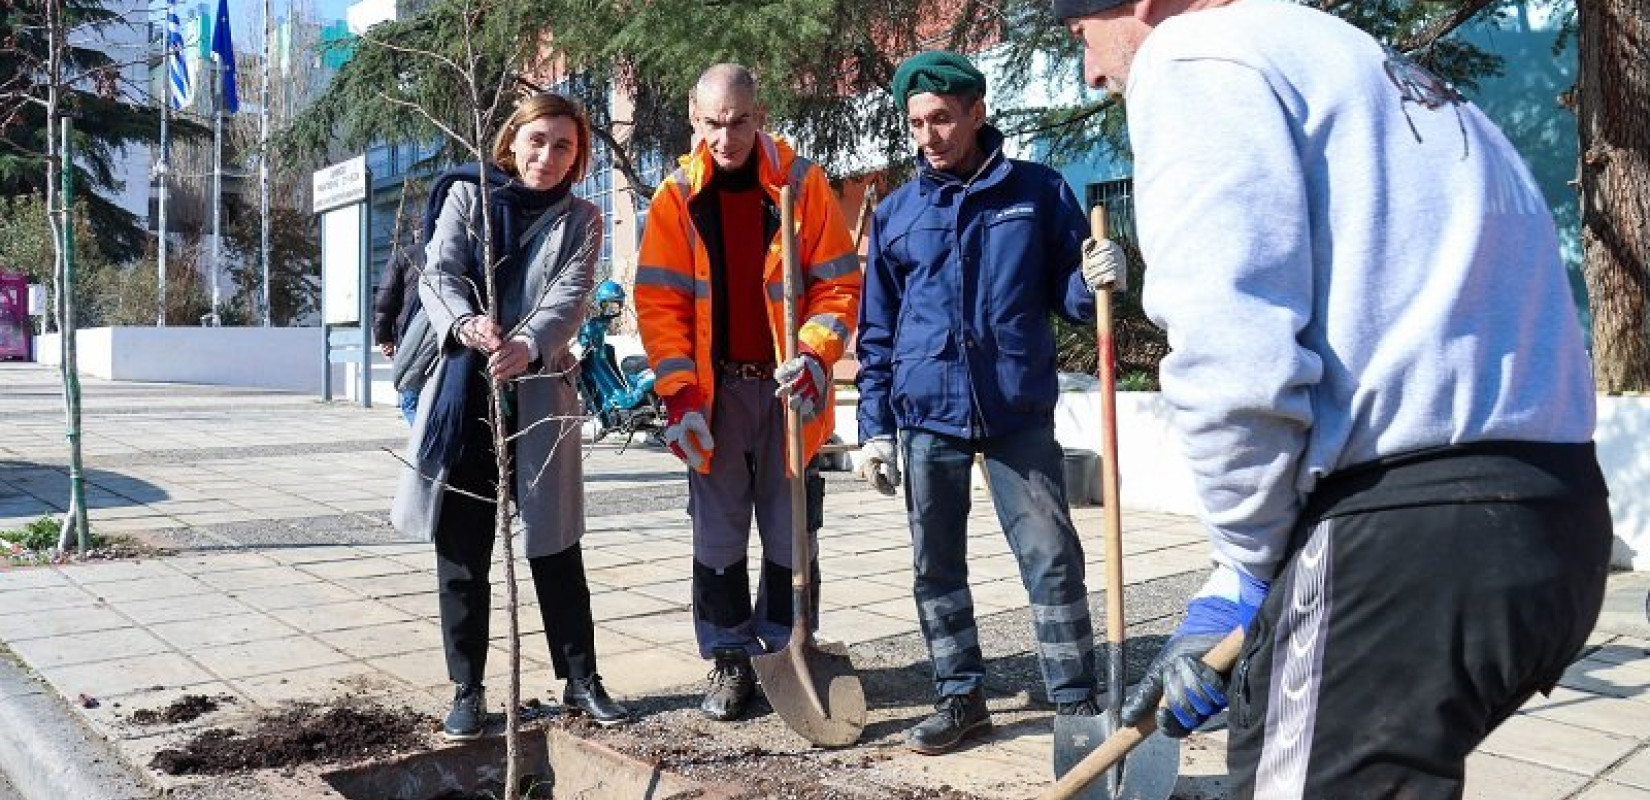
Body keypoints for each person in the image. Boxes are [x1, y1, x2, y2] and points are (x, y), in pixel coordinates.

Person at [1056, 1, 1614, 797]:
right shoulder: (1380, 70)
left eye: (1085, 37)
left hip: (1403, 539)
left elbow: (1231, 349)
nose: (1093, 73)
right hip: (1553, 523)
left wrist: (1248, 570)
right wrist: (1231, 592)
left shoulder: (1196, 55)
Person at [854, 50, 1122, 755]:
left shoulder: (1036, 192)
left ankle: (1075, 700)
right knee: (934, 564)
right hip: (925, 413)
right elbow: (877, 331)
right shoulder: (896, 212)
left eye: (942, 117)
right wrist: (873, 428)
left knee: (1051, 553)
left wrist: (1098, 274)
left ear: (976, 111)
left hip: (1013, 408)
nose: (929, 135)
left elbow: (1067, 291)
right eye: (916, 122)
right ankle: (960, 698)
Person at [391, 92, 630, 740]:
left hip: (540, 393)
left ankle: (582, 680)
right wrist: (468, 325)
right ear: (512, 142)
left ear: (577, 157)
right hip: (465, 392)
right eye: (537, 141)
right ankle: (467, 688)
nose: (547, 156)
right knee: (462, 549)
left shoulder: (582, 218)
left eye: (563, 146)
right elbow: (439, 273)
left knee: (556, 544)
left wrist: (529, 347)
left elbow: (573, 294)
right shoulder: (468, 197)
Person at [634, 63, 861, 723]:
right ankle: (730, 660)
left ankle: (788, 647)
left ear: (759, 116)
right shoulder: (676, 198)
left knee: (792, 534)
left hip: (792, 390)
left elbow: (837, 285)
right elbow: (660, 305)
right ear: (692, 117)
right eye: (712, 124)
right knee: (719, 535)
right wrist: (678, 398)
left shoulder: (801, 184)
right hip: (716, 393)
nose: (725, 138)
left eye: (737, 123)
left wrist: (816, 356)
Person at [374, 244, 423, 424]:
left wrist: (384, 337)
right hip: (452, 336)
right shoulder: (458, 247)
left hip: (411, 338)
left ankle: (424, 444)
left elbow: (385, 300)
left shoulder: (405, 255)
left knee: (411, 401)